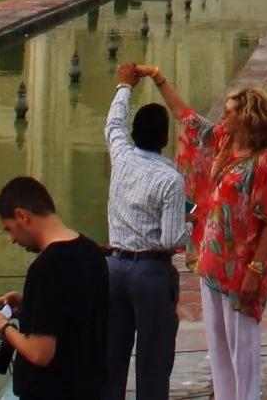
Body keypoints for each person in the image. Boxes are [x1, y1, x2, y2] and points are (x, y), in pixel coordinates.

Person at [147, 70, 267, 400]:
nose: (224, 115)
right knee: (218, 346)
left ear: (246, 118)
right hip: (213, 263)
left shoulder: (262, 164)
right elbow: (187, 118)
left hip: (241, 269)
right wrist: (159, 79)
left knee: (243, 347)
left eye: (230, 111)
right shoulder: (223, 142)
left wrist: (255, 269)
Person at [0, 176, 111, 400]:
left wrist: (2, 328)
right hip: (90, 388)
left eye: (10, 229)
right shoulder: (92, 252)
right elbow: (74, 313)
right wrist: (29, 305)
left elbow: (40, 353)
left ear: (22, 216)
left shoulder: (45, 268)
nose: (12, 239)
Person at [106, 64, 191, 400]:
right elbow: (171, 239)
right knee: (153, 362)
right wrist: (193, 225)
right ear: (165, 139)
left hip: (113, 268)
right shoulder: (170, 179)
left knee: (112, 357)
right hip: (150, 273)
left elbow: (113, 125)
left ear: (135, 134)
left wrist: (124, 86)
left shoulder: (122, 157)